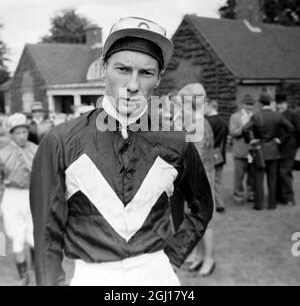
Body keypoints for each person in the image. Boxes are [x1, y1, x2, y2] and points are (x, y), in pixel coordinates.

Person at [30, 16, 214, 286]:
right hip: (92, 276)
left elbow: (202, 207)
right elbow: (47, 232)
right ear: (104, 68)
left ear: (159, 78)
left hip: (156, 274)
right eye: (122, 69)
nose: (132, 85)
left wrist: (170, 259)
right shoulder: (59, 141)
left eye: (146, 73)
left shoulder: (177, 142)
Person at [173, 83, 216, 277]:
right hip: (196, 178)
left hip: (202, 179)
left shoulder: (198, 123)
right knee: (197, 218)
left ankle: (209, 259)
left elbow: (195, 156)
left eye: (182, 101)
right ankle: (198, 256)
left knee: (204, 220)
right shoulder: (194, 121)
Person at [0, 113, 37, 285]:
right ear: (11, 133)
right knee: (16, 237)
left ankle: (36, 271)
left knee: (34, 234)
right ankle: (23, 275)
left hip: (31, 195)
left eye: (24, 132)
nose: (21, 136)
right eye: (17, 133)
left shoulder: (36, 149)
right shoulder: (3, 153)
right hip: (11, 196)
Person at [243, 93, 294, 210]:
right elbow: (290, 128)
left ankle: (259, 205)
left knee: (258, 179)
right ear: (270, 103)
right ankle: (272, 205)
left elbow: (245, 129)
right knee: (272, 179)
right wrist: (280, 139)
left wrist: (251, 140)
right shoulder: (277, 116)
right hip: (273, 150)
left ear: (260, 104)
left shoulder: (256, 116)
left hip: (260, 150)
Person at [275, 93, 300, 206]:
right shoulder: (276, 114)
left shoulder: (293, 114)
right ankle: (280, 197)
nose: (279, 106)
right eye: (278, 103)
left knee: (284, 173)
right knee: (278, 173)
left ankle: (289, 198)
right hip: (278, 149)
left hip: (289, 149)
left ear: (286, 103)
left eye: (281, 103)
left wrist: (296, 146)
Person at [229, 94, 255, 204]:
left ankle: (251, 195)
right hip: (239, 151)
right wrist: (244, 128)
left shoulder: (255, 116)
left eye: (251, 104)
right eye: (247, 104)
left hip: (253, 152)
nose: (249, 106)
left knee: (252, 177)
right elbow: (233, 132)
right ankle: (238, 197)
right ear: (243, 104)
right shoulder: (235, 117)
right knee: (239, 177)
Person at [205, 99, 228, 213]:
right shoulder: (223, 121)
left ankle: (211, 205)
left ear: (210, 106)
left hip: (209, 154)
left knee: (209, 181)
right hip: (220, 154)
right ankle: (220, 204)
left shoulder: (207, 122)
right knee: (218, 180)